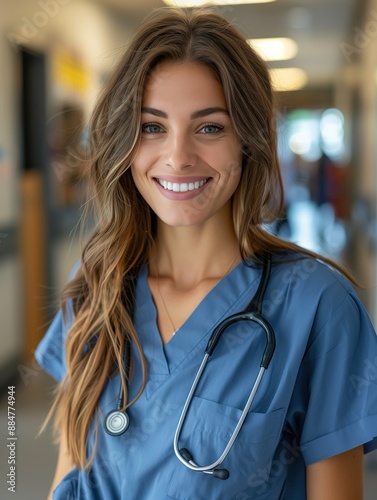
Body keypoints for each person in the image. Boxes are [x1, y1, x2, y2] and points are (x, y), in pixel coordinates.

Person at [35, 7, 377, 499]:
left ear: (248, 141)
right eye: (153, 127)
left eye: (210, 127)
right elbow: (67, 476)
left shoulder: (315, 307)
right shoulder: (96, 286)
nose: (178, 156)